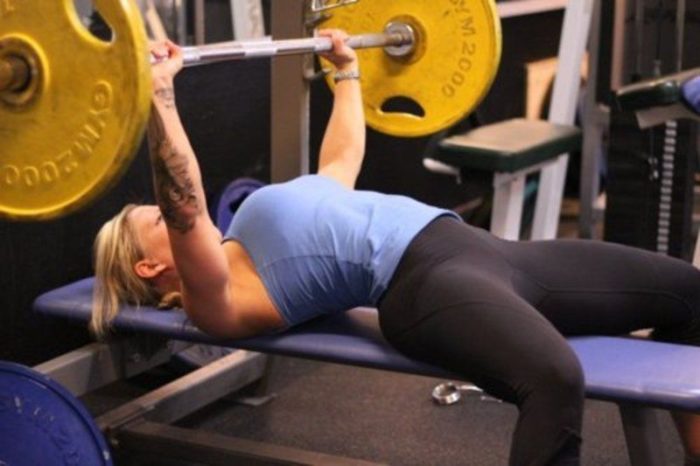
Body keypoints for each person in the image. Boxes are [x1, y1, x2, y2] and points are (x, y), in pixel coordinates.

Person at [92, 31, 700, 466]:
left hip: (493, 255)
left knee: (688, 294)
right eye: (152, 218)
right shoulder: (214, 297)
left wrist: (346, 71)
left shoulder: (249, 222)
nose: (162, 210)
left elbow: (338, 164)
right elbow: (186, 204)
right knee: (555, 380)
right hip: (424, 286)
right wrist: (160, 99)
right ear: (151, 263)